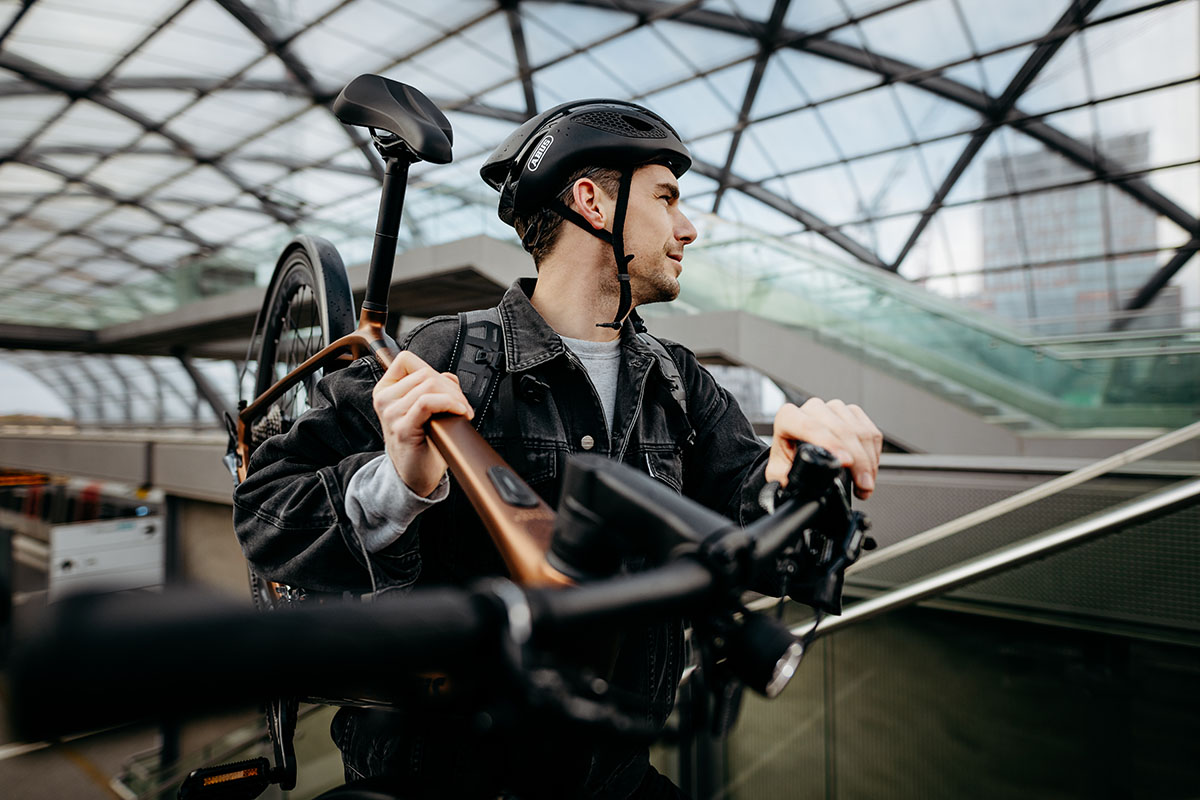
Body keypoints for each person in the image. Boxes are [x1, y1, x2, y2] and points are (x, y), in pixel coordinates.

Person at [233, 99, 882, 799]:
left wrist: (796, 486)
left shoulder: (679, 382)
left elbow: (764, 539)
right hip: (440, 783)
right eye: (667, 198)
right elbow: (266, 509)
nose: (688, 229)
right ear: (592, 202)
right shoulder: (450, 355)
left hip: (614, 779)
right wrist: (398, 480)